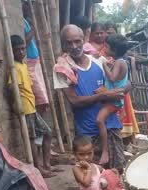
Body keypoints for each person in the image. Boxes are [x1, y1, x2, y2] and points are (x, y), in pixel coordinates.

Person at [53, 24, 128, 171]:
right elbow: (74, 101)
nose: (74, 46)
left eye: (77, 41)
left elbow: (123, 81)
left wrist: (124, 88)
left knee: (117, 177)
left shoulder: (99, 61)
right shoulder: (63, 69)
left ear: (84, 40)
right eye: (69, 43)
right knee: (92, 181)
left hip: (111, 128)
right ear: (63, 45)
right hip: (87, 136)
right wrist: (105, 94)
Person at [9, 35, 53, 177]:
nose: (21, 52)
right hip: (25, 108)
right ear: (12, 51)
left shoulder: (23, 65)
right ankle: (39, 168)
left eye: (23, 49)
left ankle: (46, 165)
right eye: (18, 50)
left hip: (31, 106)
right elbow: (10, 86)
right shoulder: (14, 67)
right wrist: (16, 103)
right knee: (32, 139)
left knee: (47, 133)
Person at [96, 34, 129, 166]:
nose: (105, 48)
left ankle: (105, 151)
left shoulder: (120, 62)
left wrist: (104, 65)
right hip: (114, 99)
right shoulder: (120, 61)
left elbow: (113, 78)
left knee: (99, 120)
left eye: (107, 46)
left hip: (113, 101)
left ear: (114, 50)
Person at [21, 2, 49, 116]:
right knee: (41, 99)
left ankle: (38, 125)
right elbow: (24, 42)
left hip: (34, 62)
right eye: (26, 3)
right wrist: (33, 29)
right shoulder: (20, 22)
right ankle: (37, 124)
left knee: (42, 99)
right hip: (28, 64)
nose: (29, 7)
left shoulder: (25, 21)